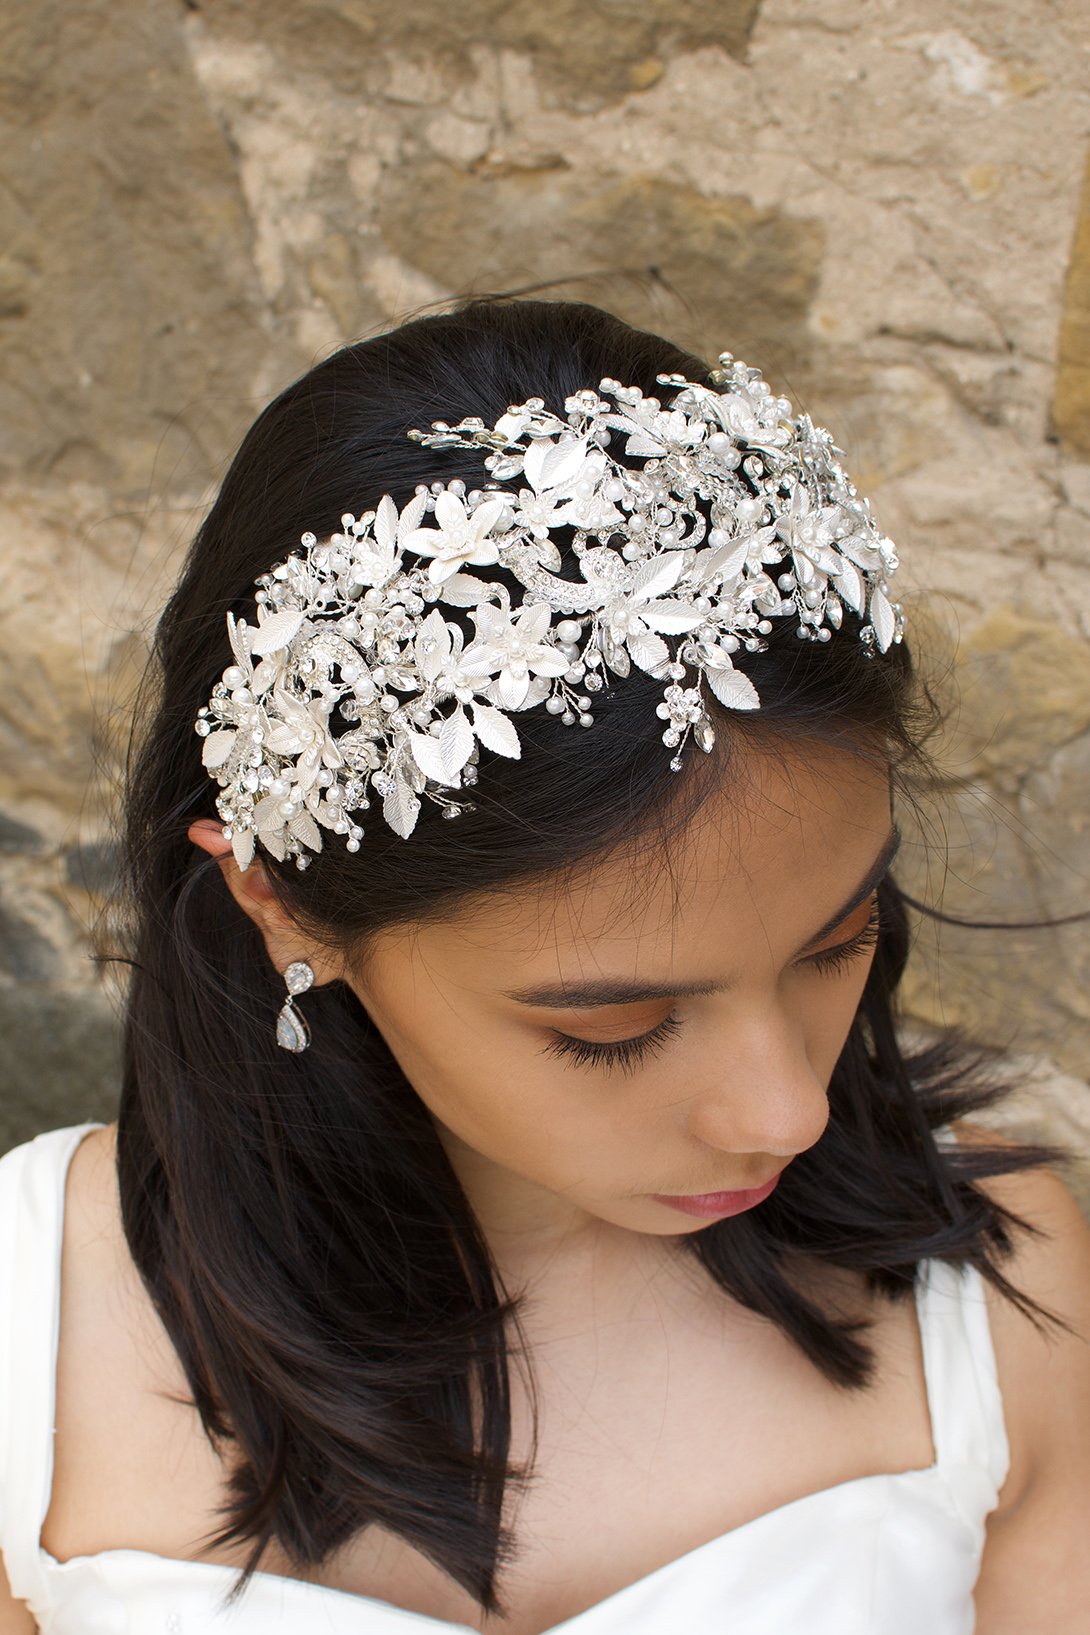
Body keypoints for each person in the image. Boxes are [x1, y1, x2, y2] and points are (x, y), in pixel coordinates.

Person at [0, 297, 1087, 1635]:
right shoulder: (27, 1323)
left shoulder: (1000, 1285)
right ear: (278, 904)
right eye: (615, 1025)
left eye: (836, 939)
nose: (783, 1111)